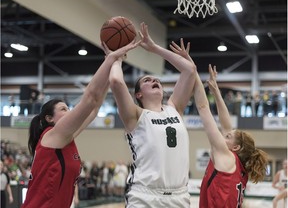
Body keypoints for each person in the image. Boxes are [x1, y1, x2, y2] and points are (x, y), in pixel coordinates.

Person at [21, 39, 140, 208]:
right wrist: (110, 60)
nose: (69, 111)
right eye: (63, 109)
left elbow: (94, 108)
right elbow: (90, 98)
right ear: (49, 119)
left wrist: (114, 62)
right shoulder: (52, 135)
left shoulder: (65, 139)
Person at [169, 40, 269, 208]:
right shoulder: (237, 165)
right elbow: (226, 124)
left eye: (228, 136)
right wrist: (215, 91)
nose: (225, 134)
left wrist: (191, 68)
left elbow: (202, 106)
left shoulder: (226, 155)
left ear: (235, 147)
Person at [108, 23, 196, 207]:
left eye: (156, 80)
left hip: (179, 196)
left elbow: (189, 70)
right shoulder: (135, 114)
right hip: (145, 196)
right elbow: (116, 81)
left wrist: (154, 48)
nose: (154, 80)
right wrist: (115, 58)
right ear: (138, 94)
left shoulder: (175, 107)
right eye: (147, 80)